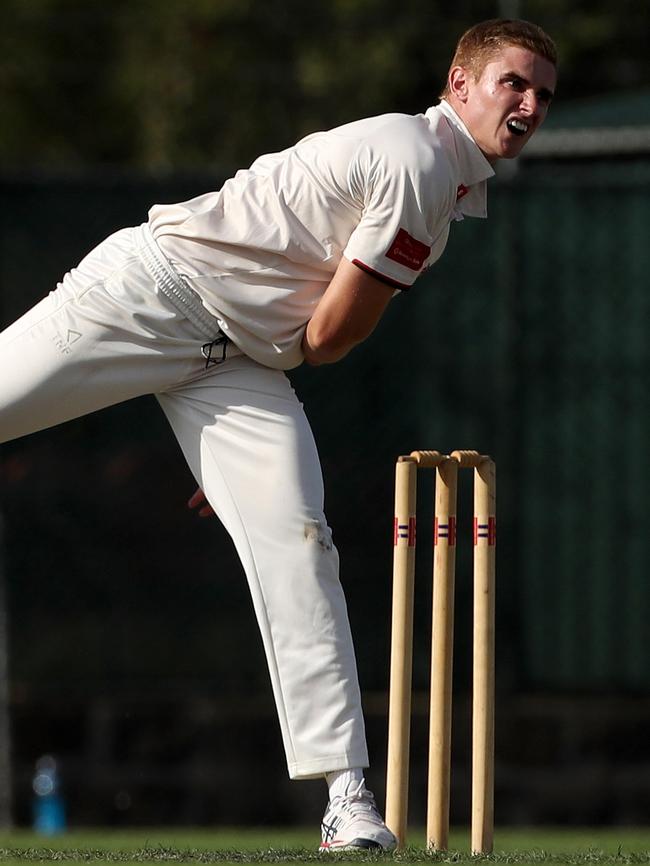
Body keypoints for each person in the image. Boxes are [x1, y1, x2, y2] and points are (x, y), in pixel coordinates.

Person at [0, 18, 557, 851]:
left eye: (544, 94)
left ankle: (347, 799)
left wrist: (232, 449)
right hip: (152, 295)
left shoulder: (448, 190)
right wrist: (245, 409)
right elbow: (332, 337)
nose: (529, 105)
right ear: (459, 83)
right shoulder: (415, 164)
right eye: (514, 83)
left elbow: (318, 321)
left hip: (234, 361)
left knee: (299, 540)